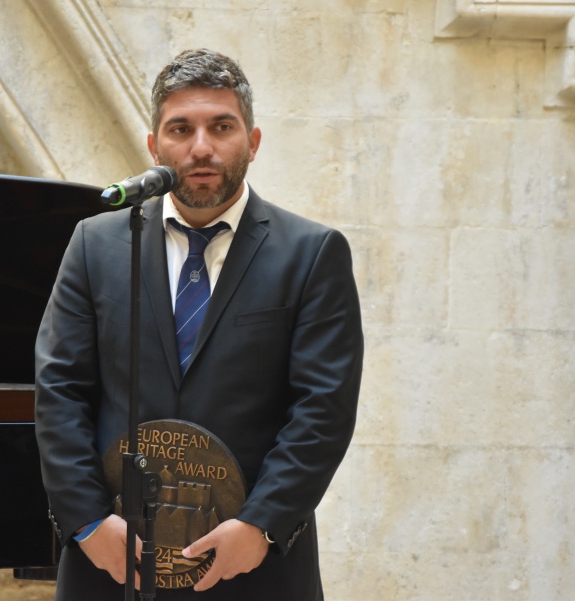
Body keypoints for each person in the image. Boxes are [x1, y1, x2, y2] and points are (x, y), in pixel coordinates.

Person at [35, 48, 364, 600]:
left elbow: (323, 409)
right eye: (181, 128)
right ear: (154, 145)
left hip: (253, 567)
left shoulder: (312, 254)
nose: (201, 147)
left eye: (222, 127)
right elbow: (59, 389)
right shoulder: (94, 244)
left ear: (252, 142)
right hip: (113, 563)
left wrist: (261, 525)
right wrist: (88, 521)